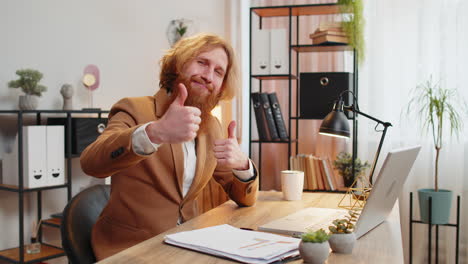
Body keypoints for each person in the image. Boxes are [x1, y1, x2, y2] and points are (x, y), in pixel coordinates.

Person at [80, 33, 259, 260]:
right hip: (131, 250)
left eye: (218, 72)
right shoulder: (134, 109)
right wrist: (156, 133)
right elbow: (91, 162)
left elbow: (245, 198)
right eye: (202, 63)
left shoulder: (213, 127)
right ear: (178, 64)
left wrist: (242, 164)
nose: (208, 76)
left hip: (188, 246)